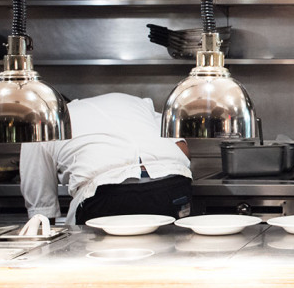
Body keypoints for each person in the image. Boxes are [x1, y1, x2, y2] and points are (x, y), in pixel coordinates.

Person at [20, 92, 192, 226]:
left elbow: (41, 211)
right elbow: (182, 149)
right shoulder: (132, 101)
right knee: (169, 250)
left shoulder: (44, 121)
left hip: (107, 194)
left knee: (96, 258)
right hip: (174, 183)